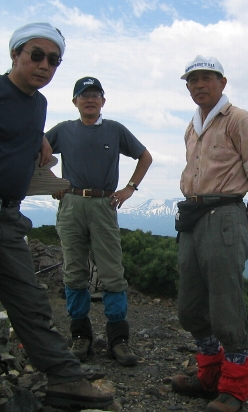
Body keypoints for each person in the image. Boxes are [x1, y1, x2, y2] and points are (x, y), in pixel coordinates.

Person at [0, 23, 113, 411]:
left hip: (8, 216)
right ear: (15, 54)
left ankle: (65, 379)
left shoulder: (37, 104)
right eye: (37, 55)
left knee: (31, 301)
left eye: (54, 60)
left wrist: (39, 139)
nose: (45, 65)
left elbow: (16, 132)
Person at [171, 56, 248, 412]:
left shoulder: (240, 120)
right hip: (194, 214)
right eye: (192, 80)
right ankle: (210, 375)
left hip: (225, 213)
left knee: (225, 302)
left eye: (207, 78)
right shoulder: (193, 126)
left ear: (222, 82)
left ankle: (235, 387)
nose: (199, 85)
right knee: (190, 305)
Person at [45, 76, 152, 366]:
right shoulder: (63, 130)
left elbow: (145, 157)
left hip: (104, 204)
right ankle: (81, 336)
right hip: (71, 203)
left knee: (112, 272)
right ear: (75, 101)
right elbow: (34, 151)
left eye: (95, 95)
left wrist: (130, 188)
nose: (90, 99)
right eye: (84, 95)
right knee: (74, 271)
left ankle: (118, 340)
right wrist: (52, 182)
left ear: (103, 101)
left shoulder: (115, 130)